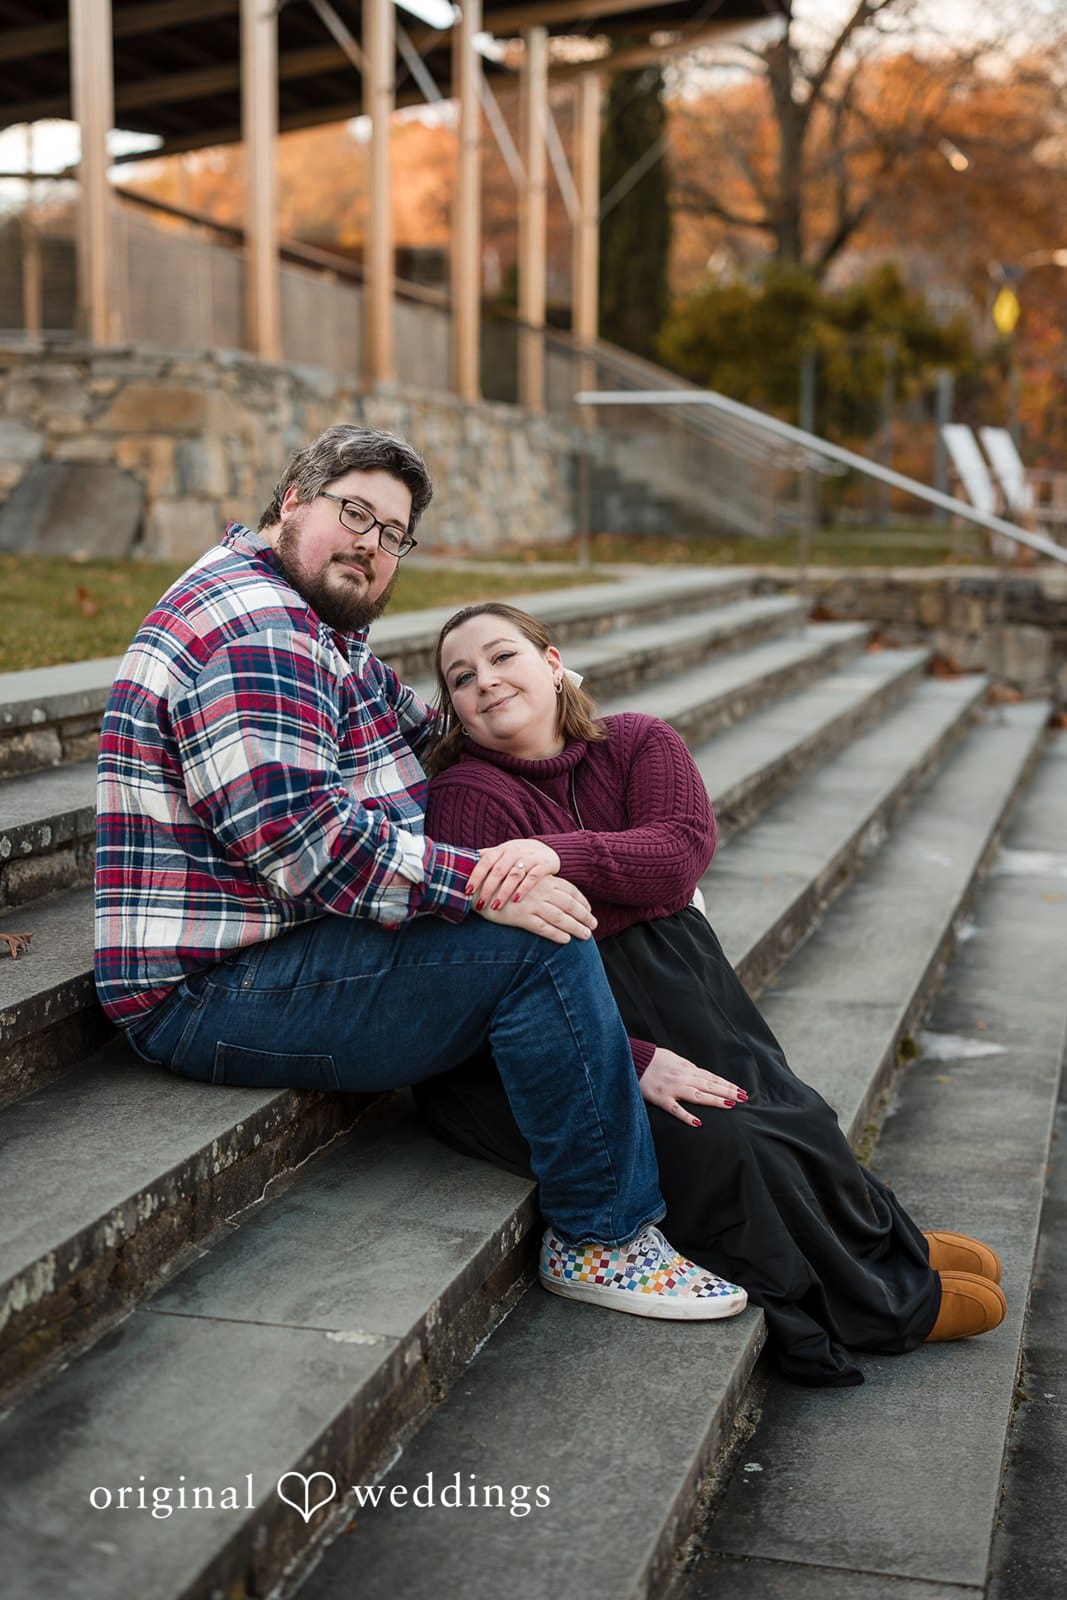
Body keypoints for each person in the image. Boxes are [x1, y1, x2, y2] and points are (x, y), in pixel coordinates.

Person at [93, 424, 751, 1323]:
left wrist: (576, 752)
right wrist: (483, 879)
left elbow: (424, 731)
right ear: (292, 501)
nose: (370, 543)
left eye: (393, 533)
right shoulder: (255, 631)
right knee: (534, 944)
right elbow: (305, 843)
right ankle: (601, 1236)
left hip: (289, 943)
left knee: (536, 914)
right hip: (210, 988)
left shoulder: (314, 624)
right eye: (354, 513)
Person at [418, 601, 1008, 1386]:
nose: (486, 682)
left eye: (501, 657)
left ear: (552, 663)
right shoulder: (466, 796)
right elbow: (501, 972)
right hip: (566, 1036)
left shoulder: (637, 742)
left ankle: (872, 1245)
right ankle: (874, 1302)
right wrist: (626, 1060)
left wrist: (552, 855)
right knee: (721, 1140)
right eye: (462, 678)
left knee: (789, 1109)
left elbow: (676, 855)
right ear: (456, 709)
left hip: (687, 993)